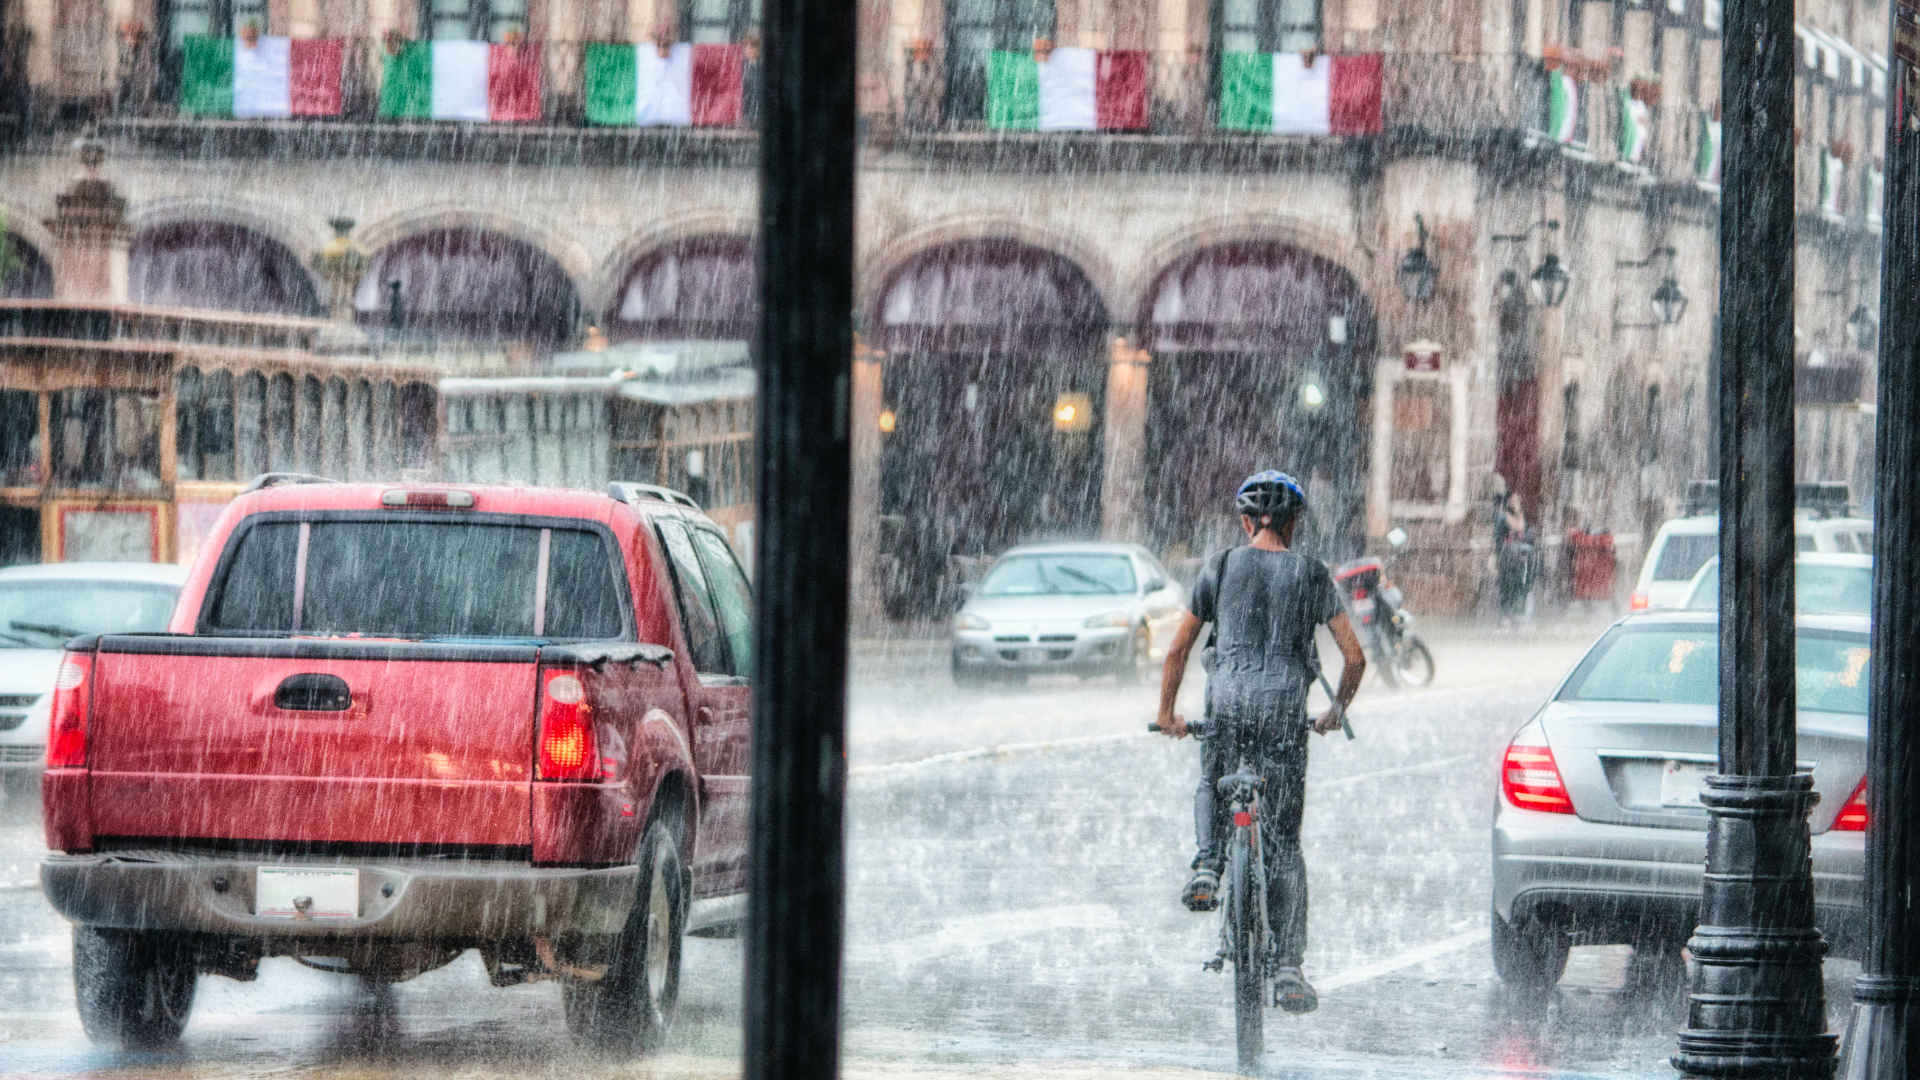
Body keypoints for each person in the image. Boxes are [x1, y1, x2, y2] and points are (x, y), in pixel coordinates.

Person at [1155, 470, 1366, 1015]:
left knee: (1212, 777)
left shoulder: (1220, 566)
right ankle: (1290, 967)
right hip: (1282, 714)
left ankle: (1206, 865)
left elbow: (1178, 650)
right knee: (1284, 845)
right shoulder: (1313, 574)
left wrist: (1166, 713)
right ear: (1294, 525)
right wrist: (1334, 710)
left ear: (1246, 522)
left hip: (1227, 705)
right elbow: (1355, 657)